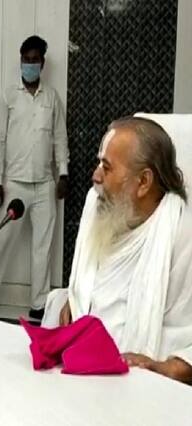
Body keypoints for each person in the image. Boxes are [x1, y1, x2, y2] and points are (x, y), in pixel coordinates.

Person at [43, 117, 192, 384]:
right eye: (98, 163)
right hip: (80, 374)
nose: (95, 175)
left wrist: (164, 368)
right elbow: (91, 284)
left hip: (145, 389)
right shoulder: (97, 205)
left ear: (143, 181)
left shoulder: (182, 233)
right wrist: (74, 299)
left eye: (107, 167)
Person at [0, 35, 68, 319]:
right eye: (26, 59)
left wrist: (63, 173)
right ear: (20, 60)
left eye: (35, 60)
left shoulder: (52, 98)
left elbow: (60, 138)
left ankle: (38, 304)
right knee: (0, 243)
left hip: (45, 185)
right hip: (13, 184)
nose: (30, 64)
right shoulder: (9, 96)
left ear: (42, 63)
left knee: (42, 248)